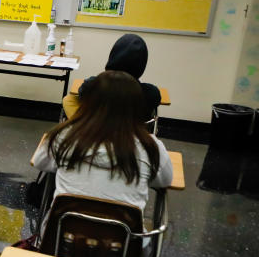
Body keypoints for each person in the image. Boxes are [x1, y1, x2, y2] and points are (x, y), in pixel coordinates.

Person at [32, 70, 173, 212]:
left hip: (62, 232)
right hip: (123, 234)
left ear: (89, 102)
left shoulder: (65, 135)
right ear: (137, 108)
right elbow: (165, 181)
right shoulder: (150, 147)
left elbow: (40, 162)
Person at [63, 33, 161, 121]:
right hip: (131, 137)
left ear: (113, 56)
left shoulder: (92, 85)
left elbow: (82, 92)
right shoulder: (151, 93)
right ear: (142, 64)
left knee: (68, 99)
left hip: (95, 134)